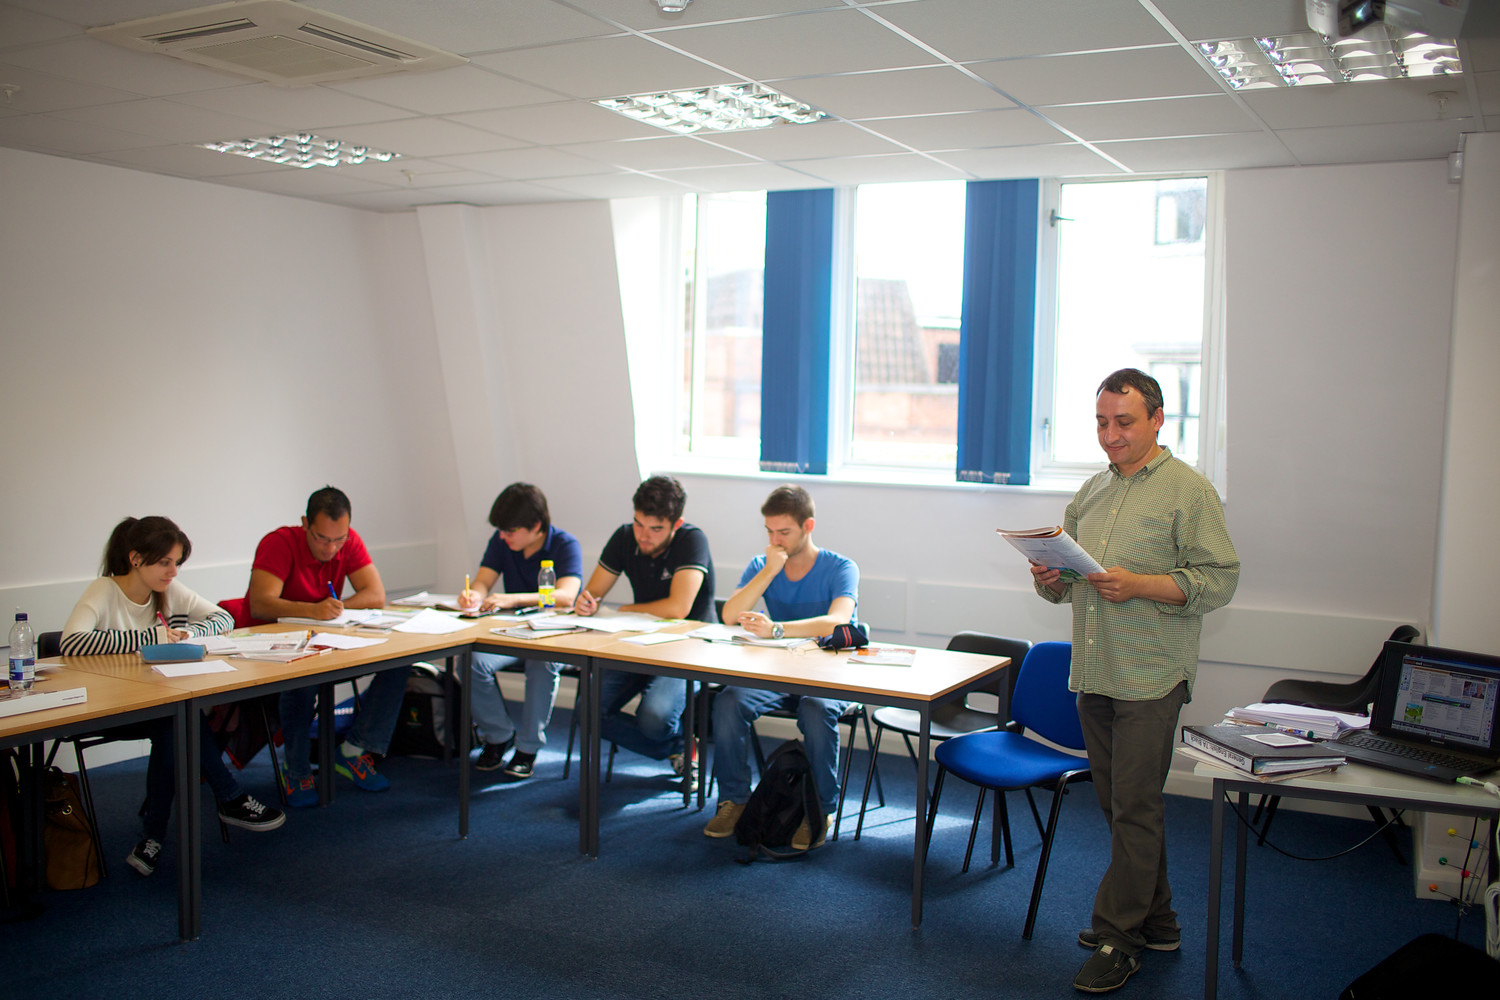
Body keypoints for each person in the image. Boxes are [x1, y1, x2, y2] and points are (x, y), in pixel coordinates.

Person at [1030, 369, 1239, 994]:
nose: (1110, 434)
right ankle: (1161, 921)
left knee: (1136, 808)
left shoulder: (1188, 492)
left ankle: (1119, 937)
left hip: (1150, 677)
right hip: (1094, 670)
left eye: (1124, 421)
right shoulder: (1091, 492)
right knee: (1122, 809)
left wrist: (1141, 584)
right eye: (1101, 422)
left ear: (1155, 420)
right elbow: (1069, 582)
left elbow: (1219, 580)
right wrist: (1049, 580)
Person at [61, 516, 285, 876]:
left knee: (175, 722)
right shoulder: (104, 590)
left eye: (177, 563)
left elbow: (222, 618)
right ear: (136, 559)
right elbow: (72, 642)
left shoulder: (167, 592)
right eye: (165, 562)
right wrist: (150, 638)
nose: (173, 572)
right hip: (113, 707)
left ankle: (153, 837)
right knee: (180, 719)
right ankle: (229, 797)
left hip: (158, 705)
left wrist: (187, 631)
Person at [705, 485, 859, 849]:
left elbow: (838, 621)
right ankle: (735, 800)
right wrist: (769, 571)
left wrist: (776, 629)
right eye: (770, 532)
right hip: (781, 671)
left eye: (784, 532)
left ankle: (820, 808)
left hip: (830, 674)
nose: (776, 540)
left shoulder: (840, 567)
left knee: (815, 707)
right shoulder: (764, 565)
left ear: (808, 525)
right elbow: (728, 615)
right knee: (728, 702)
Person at [246, 486, 397, 805]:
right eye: (322, 538)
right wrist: (312, 610)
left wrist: (337, 608)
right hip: (275, 643)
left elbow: (375, 595)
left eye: (339, 539)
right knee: (303, 681)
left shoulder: (349, 540)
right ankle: (297, 770)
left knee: (398, 661)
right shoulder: (279, 542)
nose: (331, 548)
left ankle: (354, 749)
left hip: (324, 636)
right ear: (305, 523)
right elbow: (260, 604)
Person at [575, 476, 715, 789]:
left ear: (676, 524)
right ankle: (679, 747)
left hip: (690, 648)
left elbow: (678, 607)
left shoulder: (693, 539)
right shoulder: (625, 537)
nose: (643, 536)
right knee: (587, 709)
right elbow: (593, 593)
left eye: (655, 529)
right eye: (639, 524)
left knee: (654, 718)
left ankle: (674, 743)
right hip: (639, 643)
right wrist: (586, 602)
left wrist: (622, 610)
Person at [457, 483, 583, 780]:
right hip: (512, 631)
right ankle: (498, 735)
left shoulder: (565, 544)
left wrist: (513, 599)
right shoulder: (502, 541)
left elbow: (566, 596)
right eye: (501, 530)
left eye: (510, 531)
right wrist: (474, 595)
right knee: (471, 662)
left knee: (542, 663)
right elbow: (483, 581)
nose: (503, 536)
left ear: (536, 525)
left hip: (554, 634)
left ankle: (528, 748)